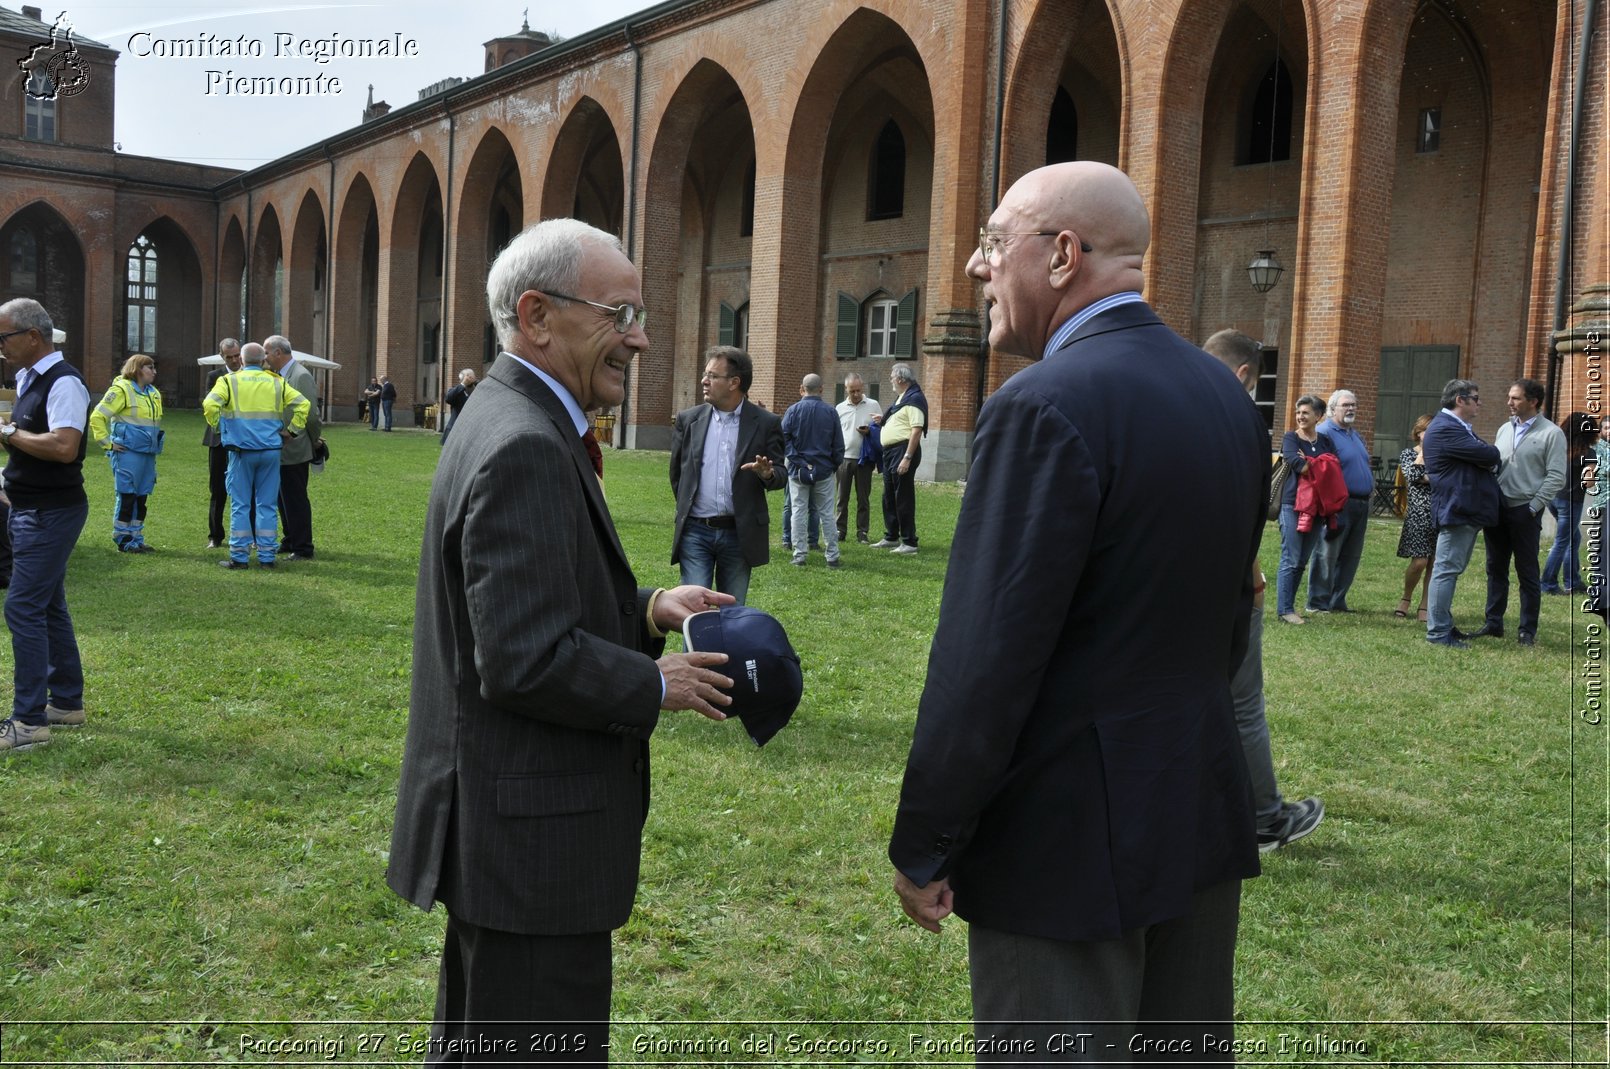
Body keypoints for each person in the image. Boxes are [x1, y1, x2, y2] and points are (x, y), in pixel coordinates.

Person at [889, 163, 1266, 1059]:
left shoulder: (1041, 404)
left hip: (1064, 846)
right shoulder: (1225, 396)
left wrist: (927, 838)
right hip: (1197, 810)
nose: (977, 268)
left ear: (1062, 255)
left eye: (991, 242)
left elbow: (988, 655)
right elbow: (1227, 622)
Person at [387, 218, 738, 1059]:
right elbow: (523, 656)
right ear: (538, 316)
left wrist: (650, 606)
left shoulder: (507, 412)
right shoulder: (524, 444)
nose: (642, 338)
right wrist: (662, 682)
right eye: (620, 314)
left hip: (507, 836)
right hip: (531, 849)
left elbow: (523, 596)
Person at [1202, 328, 1324, 852]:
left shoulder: (1176, 412)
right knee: (1242, 702)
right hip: (1222, 585)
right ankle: (1265, 817)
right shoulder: (1239, 424)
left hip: (1166, 585)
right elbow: (1237, 515)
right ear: (1246, 375)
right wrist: (1252, 576)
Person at [0, 297, 93, 749]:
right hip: (29, 508)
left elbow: (63, 447)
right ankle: (66, 703)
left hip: (49, 514)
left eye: (4, 337)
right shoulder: (27, 378)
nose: (1, 347)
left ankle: (29, 722)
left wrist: (8, 433)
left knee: (22, 607)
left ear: (33, 336)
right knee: (48, 604)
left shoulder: (64, 382)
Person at [669, 345, 786, 606]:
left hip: (739, 534)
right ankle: (695, 649)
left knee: (730, 611)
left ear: (734, 382)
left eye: (712, 375)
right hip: (695, 532)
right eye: (705, 373)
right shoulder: (689, 420)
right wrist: (688, 509)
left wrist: (767, 474)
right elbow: (677, 473)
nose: (704, 381)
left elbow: (780, 474)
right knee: (693, 609)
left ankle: (725, 650)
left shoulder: (766, 423)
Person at [1464, 378, 1565, 647]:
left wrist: (1533, 507)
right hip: (1498, 509)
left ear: (1533, 401)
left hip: (1525, 511)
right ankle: (1493, 622)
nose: (1509, 402)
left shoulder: (1552, 434)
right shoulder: (1504, 429)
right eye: (1510, 397)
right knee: (1495, 568)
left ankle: (1526, 630)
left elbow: (1556, 477)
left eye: (1515, 398)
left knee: (1527, 572)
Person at [203, 342, 310, 570]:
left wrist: (219, 427)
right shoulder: (277, 382)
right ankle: (267, 557)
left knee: (241, 504)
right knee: (267, 505)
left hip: (241, 452)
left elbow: (210, 404)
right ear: (263, 361)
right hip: (270, 451)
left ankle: (240, 557)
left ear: (241, 360)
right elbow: (304, 405)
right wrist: (291, 431)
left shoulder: (229, 381)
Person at [1422, 379, 1501, 648]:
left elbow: (1484, 454)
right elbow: (1490, 453)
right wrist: (1487, 457)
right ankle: (1438, 633)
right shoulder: (1445, 428)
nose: (1479, 403)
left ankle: (1443, 625)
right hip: (1458, 509)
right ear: (1460, 400)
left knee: (1449, 570)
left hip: (1463, 508)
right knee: (1445, 570)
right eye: (1476, 398)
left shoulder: (1458, 427)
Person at [88, 353, 164, 553]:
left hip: (148, 454)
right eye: (150, 368)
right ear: (138, 369)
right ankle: (122, 539)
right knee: (127, 496)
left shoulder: (153, 392)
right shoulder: (120, 390)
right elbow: (97, 417)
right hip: (127, 454)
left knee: (142, 498)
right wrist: (108, 444)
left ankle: (136, 537)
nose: (154, 372)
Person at [1307, 388, 1373, 612]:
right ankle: (1317, 602)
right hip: (1337, 504)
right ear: (1332, 409)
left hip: (1361, 503)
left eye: (1354, 404)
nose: (1351, 408)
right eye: (1346, 405)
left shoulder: (1354, 434)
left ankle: (1337, 600)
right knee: (1327, 553)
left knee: (1351, 555)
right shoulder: (1324, 433)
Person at [1275, 394, 1336, 624]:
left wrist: (1311, 461)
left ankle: (1288, 608)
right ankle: (1285, 610)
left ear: (1318, 416)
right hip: (1292, 504)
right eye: (1298, 412)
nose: (1300, 416)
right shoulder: (1291, 438)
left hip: (1317, 506)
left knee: (1301, 560)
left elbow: (1333, 467)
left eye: (1305, 412)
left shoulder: (1325, 440)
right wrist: (1316, 462)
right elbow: (1298, 465)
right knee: (1290, 557)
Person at [262, 336, 323, 561]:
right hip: (282, 449)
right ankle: (290, 540)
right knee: (283, 497)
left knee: (295, 498)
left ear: (279, 352)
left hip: (295, 448)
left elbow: (311, 414)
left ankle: (303, 546)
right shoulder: (282, 375)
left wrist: (315, 439)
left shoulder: (300, 375)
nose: (265, 357)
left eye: (267, 352)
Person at [781, 373, 844, 568]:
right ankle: (832, 556)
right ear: (822, 389)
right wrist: (833, 464)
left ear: (802, 388)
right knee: (826, 513)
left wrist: (796, 460)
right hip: (824, 469)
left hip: (798, 470)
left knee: (798, 511)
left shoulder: (793, 411)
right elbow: (838, 443)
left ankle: (799, 554)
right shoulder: (831, 412)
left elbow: (784, 439)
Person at [870, 362, 925, 554]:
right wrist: (883, 419)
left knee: (903, 497)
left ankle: (909, 542)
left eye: (892, 377)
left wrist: (907, 458)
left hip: (902, 452)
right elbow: (900, 419)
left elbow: (916, 430)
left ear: (901, 379)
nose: (891, 379)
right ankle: (892, 536)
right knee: (889, 495)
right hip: (891, 453)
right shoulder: (902, 397)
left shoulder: (915, 399)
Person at [1542, 412, 1595, 595]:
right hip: (1571, 502)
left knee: (1574, 538)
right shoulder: (1588, 453)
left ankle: (1573, 581)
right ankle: (1547, 584)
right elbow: (1589, 482)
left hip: (1552, 498)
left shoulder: (1558, 447)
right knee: (1562, 542)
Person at [1395, 414, 1437, 623]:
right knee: (1419, 562)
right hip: (1418, 514)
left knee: (1434, 563)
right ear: (1418, 433)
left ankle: (1425, 604)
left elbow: (1445, 479)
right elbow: (1413, 476)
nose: (1430, 436)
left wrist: (1430, 478)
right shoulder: (1407, 454)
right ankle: (1406, 597)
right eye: (1426, 431)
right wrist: (1423, 456)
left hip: (1440, 513)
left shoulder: (1443, 455)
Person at [204, 340, 243, 548]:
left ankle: (249, 534)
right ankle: (215, 536)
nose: (235, 360)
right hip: (219, 439)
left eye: (237, 355)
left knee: (247, 488)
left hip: (245, 439)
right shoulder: (214, 377)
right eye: (230, 357)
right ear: (222, 357)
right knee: (218, 489)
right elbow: (212, 405)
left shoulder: (250, 374)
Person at [835, 372, 881, 544]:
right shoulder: (839, 408)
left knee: (863, 497)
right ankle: (840, 529)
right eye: (852, 391)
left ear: (863, 388)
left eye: (858, 391)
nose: (855, 394)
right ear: (846, 389)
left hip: (864, 458)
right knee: (841, 497)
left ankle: (862, 532)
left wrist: (870, 431)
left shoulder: (873, 405)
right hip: (844, 458)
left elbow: (881, 428)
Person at [441, 367, 477, 443]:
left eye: (471, 376)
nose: (469, 379)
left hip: (471, 431)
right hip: (455, 429)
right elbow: (448, 398)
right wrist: (463, 384)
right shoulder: (457, 391)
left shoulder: (478, 391)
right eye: (468, 376)